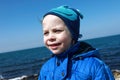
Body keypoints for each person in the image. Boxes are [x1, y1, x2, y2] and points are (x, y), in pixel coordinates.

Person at [38, 5, 115, 80]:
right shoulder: (46, 68)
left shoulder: (94, 65)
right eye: (46, 33)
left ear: (73, 34)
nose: (50, 37)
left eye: (57, 31)